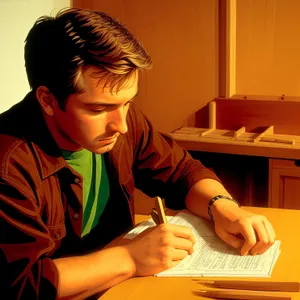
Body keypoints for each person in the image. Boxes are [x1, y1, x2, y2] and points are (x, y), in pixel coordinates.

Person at [0, 7, 275, 300]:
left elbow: (180, 171)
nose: (120, 125)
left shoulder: (123, 120)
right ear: (47, 99)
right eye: (98, 109)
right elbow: (24, 284)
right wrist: (130, 258)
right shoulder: (9, 166)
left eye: (128, 102)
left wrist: (223, 208)